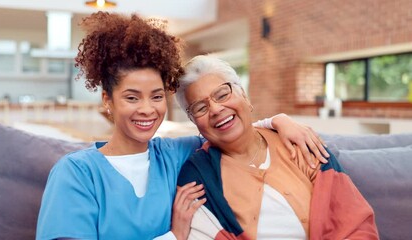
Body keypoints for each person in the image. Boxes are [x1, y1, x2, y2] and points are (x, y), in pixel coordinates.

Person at [36, 12, 329, 240]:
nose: (147, 109)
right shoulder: (75, 173)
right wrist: (174, 235)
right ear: (107, 100)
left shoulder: (174, 155)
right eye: (131, 97)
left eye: (156, 96)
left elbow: (226, 127)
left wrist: (279, 121)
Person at [176, 55, 379, 239]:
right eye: (200, 108)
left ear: (244, 95)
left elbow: (356, 223)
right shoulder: (198, 175)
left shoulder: (300, 144)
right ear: (194, 122)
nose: (216, 109)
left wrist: (276, 121)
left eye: (222, 95)